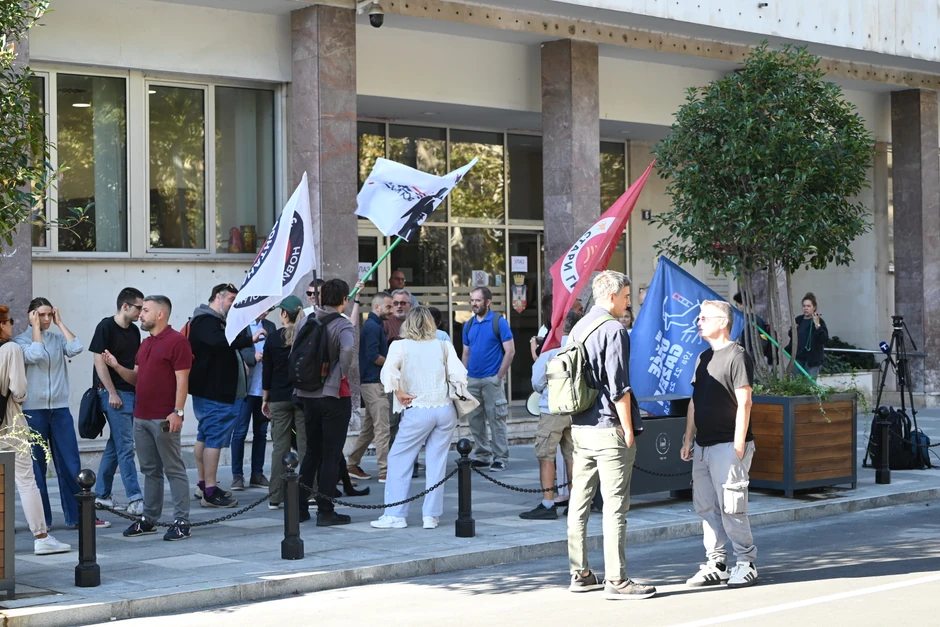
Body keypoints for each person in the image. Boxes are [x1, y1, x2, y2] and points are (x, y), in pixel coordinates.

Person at [566, 270, 656, 600]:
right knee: (614, 508)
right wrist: (629, 429)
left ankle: (580, 573)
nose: (629, 303)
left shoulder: (580, 326)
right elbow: (619, 387)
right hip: (607, 428)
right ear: (611, 296)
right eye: (627, 297)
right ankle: (617, 580)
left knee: (579, 504)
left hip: (580, 427)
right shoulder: (614, 330)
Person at [680, 299, 758, 589]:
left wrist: (739, 446)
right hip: (703, 445)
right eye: (699, 317)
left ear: (722, 322)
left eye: (704, 318)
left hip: (728, 444)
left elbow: (745, 401)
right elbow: (694, 402)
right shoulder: (703, 358)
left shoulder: (738, 356)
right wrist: (689, 438)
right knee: (706, 507)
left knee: (732, 507)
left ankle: (746, 562)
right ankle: (717, 563)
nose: (698, 322)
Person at [13, 298, 108, 530]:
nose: (46, 319)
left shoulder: (56, 338)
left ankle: (78, 517)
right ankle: (41, 521)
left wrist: (60, 323)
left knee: (70, 463)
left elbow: (76, 347)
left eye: (49, 315)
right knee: (37, 468)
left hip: (59, 409)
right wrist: (35, 328)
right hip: (32, 411)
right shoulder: (19, 342)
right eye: (41, 315)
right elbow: (34, 355)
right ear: (32, 315)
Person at [372, 307, 468, 530]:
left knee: (399, 459)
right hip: (445, 408)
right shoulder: (443, 345)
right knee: (437, 462)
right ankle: (431, 516)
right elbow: (459, 374)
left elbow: (387, 373)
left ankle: (396, 514)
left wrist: (398, 391)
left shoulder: (400, 345)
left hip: (418, 407)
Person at [111, 296, 193, 541]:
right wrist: (116, 366)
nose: (141, 314)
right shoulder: (145, 344)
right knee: (149, 470)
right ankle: (149, 519)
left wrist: (178, 411)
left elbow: (182, 380)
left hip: (164, 418)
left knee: (173, 468)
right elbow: (136, 378)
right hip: (141, 417)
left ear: (160, 314)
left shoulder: (177, 342)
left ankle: (182, 521)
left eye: (145, 310)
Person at [0, 305, 72, 555]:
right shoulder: (10, 348)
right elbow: (19, 390)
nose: (11, 325)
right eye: (9, 321)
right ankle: (41, 536)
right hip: (9, 424)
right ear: (1, 325)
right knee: (26, 480)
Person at [188, 283, 263, 508]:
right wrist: (249, 339)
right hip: (215, 394)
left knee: (205, 436)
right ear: (218, 298)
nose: (233, 305)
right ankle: (210, 491)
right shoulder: (205, 321)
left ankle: (204, 484)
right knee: (213, 439)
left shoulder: (211, 321)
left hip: (213, 392)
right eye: (231, 300)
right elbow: (222, 342)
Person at [297, 278, 357, 527]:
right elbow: (347, 350)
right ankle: (326, 510)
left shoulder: (307, 320)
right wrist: (341, 372)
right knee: (331, 454)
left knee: (311, 451)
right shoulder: (343, 325)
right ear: (344, 299)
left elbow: (295, 353)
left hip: (307, 395)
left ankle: (299, 508)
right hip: (334, 396)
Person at [89, 287, 145, 515]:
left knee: (116, 445)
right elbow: (99, 362)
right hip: (112, 394)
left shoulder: (134, 332)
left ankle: (102, 495)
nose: (141, 313)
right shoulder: (105, 326)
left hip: (130, 393)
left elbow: (135, 367)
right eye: (139, 308)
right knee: (126, 447)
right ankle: (135, 498)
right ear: (125, 306)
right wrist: (111, 392)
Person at [519, 311, 580, 520]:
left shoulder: (550, 351)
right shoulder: (581, 349)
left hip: (551, 410)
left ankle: (548, 504)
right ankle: (575, 502)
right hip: (576, 410)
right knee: (573, 457)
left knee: (546, 456)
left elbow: (536, 382)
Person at [262, 296, 308, 510]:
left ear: (283, 314)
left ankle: (275, 497)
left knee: (279, 447)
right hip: (302, 396)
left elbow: (267, 371)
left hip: (278, 398)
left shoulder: (272, 338)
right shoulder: (306, 335)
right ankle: (309, 494)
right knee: (306, 445)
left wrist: (265, 398)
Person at [462, 287, 514, 472]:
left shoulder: (499, 322)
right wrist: (463, 377)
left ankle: (500, 457)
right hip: (472, 380)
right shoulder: (468, 325)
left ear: (488, 302)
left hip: (491, 379)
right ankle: (483, 455)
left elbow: (510, 351)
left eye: (477, 300)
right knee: (475, 420)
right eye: (472, 300)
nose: (474, 304)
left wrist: (499, 376)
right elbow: (466, 353)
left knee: (496, 419)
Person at [347, 293, 393, 483]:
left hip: (371, 382)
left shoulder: (373, 325)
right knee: (382, 428)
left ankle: (352, 463)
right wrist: (393, 364)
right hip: (374, 383)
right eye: (389, 307)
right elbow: (373, 355)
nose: (392, 310)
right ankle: (385, 471)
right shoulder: (373, 327)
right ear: (377, 307)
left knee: (369, 429)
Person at [231, 312, 275, 491]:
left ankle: (257, 473)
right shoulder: (240, 324)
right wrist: (252, 358)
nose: (267, 309)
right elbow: (233, 351)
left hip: (263, 388)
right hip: (245, 389)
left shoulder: (270, 326)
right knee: (240, 432)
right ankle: (237, 476)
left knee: (261, 432)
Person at [784, 292, 829, 377]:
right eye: (804, 306)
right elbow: (792, 336)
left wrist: (817, 326)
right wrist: (792, 330)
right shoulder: (799, 319)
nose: (805, 308)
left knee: (809, 385)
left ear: (814, 308)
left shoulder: (819, 321)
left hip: (813, 360)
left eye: (808, 306)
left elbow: (825, 339)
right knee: (795, 384)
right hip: (798, 358)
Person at [732, 292, 773, 366]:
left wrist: (751, 358)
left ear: (743, 304)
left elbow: (763, 340)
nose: (737, 308)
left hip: (752, 361)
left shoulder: (754, 321)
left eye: (737, 305)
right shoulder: (750, 319)